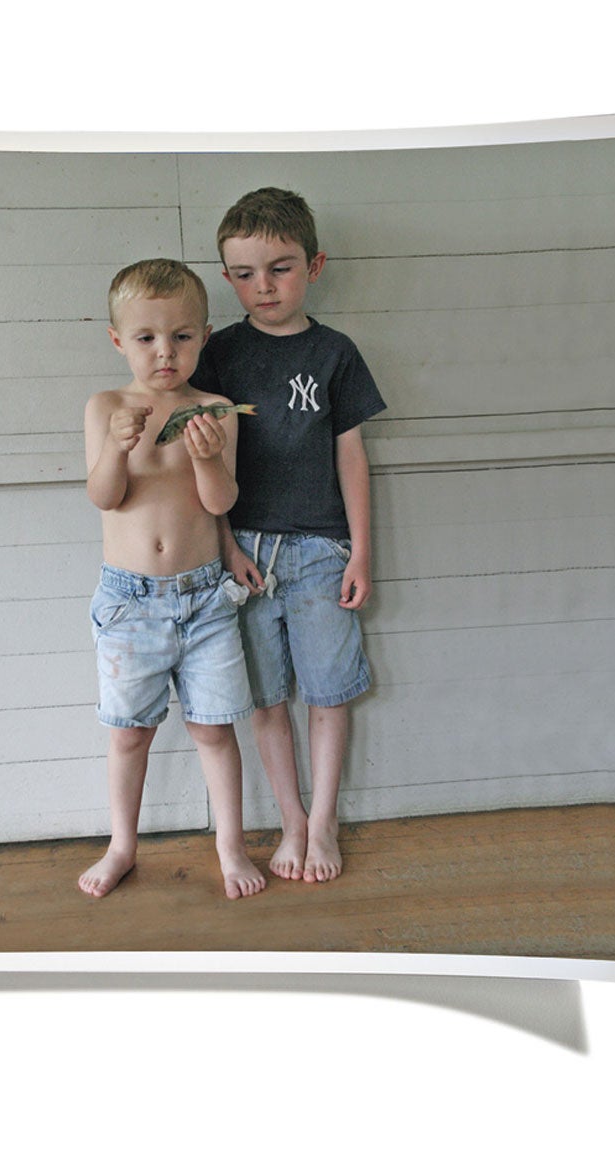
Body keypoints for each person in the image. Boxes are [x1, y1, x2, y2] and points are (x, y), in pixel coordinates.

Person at [190, 187, 387, 884]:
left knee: (328, 692)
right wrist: (225, 545)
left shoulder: (335, 354)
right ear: (225, 277)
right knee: (268, 696)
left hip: (320, 550)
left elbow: (351, 455)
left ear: (314, 265)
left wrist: (361, 548)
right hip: (244, 550)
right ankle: (291, 818)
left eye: (280, 267)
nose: (262, 286)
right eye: (243, 273)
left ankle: (325, 818)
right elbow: (203, 461)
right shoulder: (218, 355)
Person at [79, 258, 267, 901]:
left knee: (215, 729)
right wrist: (115, 448)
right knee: (129, 733)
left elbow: (220, 504)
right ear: (118, 341)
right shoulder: (106, 407)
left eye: (182, 337)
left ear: (204, 337)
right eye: (147, 338)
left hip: (205, 597)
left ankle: (231, 846)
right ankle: (122, 846)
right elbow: (104, 498)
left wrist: (210, 456)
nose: (166, 352)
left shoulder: (215, 409)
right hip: (130, 603)